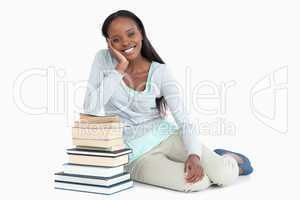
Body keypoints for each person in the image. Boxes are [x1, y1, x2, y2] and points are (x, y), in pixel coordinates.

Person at [83, 10, 253, 192]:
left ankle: (228, 159)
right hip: (134, 154)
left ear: (141, 32)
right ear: (109, 43)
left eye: (130, 33)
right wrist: (119, 69)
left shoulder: (160, 72)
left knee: (223, 174)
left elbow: (184, 119)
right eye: (116, 39)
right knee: (198, 182)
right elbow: (90, 108)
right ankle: (212, 160)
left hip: (167, 136)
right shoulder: (103, 60)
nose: (125, 42)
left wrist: (194, 155)